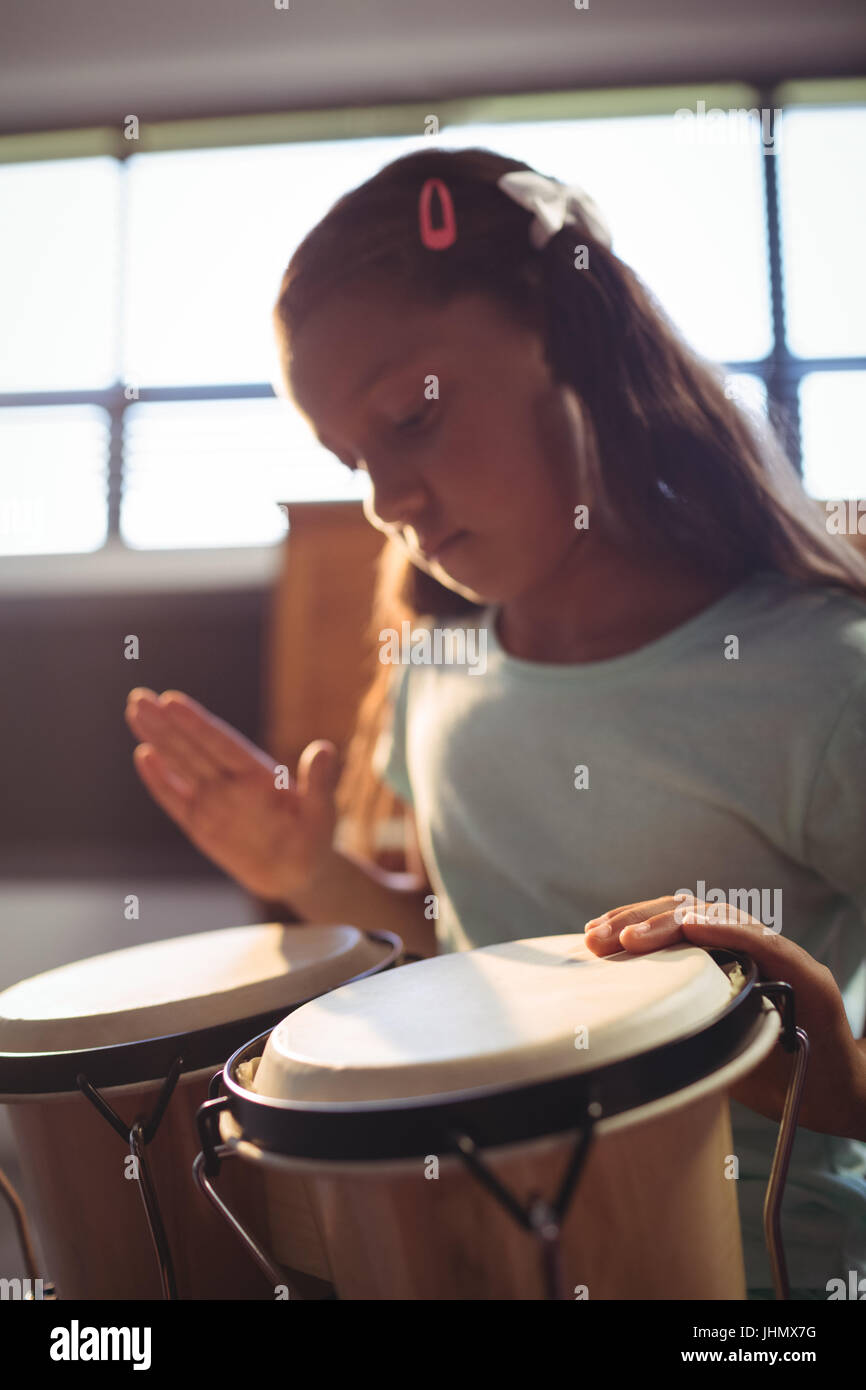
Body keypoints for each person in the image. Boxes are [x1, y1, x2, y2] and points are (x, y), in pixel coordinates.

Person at [125, 146, 866, 1300]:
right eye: (350, 459)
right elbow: (459, 960)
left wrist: (828, 1071)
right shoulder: (439, 672)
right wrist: (307, 869)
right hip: (470, 1247)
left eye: (410, 415)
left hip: (757, 1266)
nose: (384, 499)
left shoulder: (819, 680)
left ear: (569, 336)